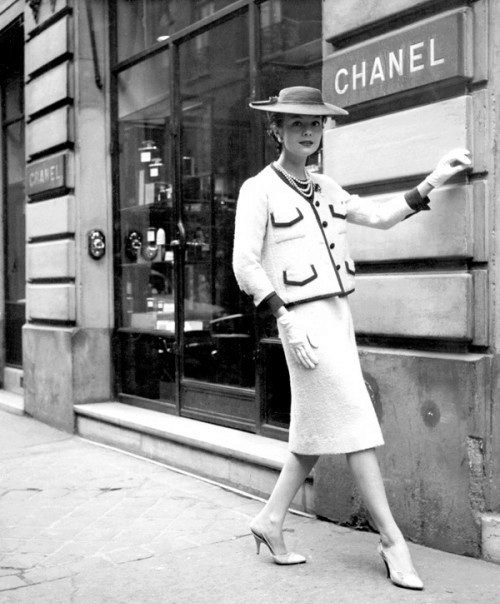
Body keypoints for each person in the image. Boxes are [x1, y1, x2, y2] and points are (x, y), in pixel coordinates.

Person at [232, 86, 471, 590]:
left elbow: (380, 217)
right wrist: (284, 318)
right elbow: (245, 264)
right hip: (302, 322)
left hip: (338, 317)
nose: (308, 132)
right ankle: (392, 540)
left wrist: (434, 178)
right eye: (296, 123)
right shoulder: (259, 189)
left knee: (315, 433)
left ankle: (270, 520)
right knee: (357, 424)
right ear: (276, 129)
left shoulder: (326, 186)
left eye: (315, 124)